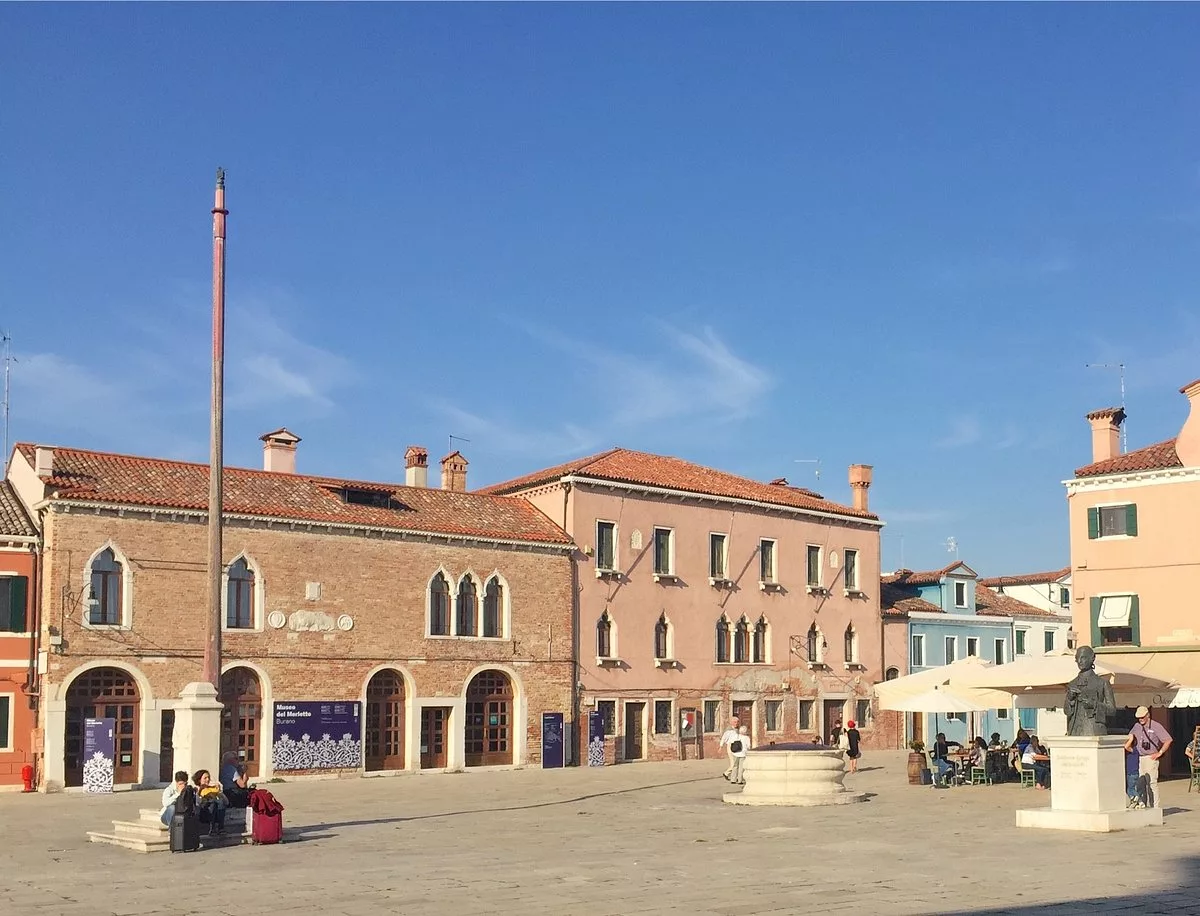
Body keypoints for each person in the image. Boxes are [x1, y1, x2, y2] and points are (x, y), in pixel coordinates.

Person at [1124, 706, 1172, 809]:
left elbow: (1168, 740)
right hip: (1139, 758)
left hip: (1151, 757)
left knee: (1151, 784)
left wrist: (1160, 752)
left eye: (1142, 717)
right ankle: (1143, 806)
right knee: (1140, 784)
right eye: (1139, 717)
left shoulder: (1155, 726)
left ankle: (1155, 808)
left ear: (1147, 715)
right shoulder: (1136, 726)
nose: (1140, 719)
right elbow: (1129, 737)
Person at [193, 769, 227, 835]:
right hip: (204, 813)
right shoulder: (197, 789)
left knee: (220, 802)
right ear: (199, 780)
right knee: (212, 803)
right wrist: (200, 792)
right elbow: (198, 803)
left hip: (217, 813)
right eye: (205, 778)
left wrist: (220, 792)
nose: (207, 779)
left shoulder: (213, 788)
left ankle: (221, 827)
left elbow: (226, 802)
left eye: (208, 777)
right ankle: (212, 828)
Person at [719, 716, 741, 782]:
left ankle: (735, 776)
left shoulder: (737, 729)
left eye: (737, 722)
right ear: (731, 722)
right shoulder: (728, 730)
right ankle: (726, 773)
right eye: (735, 722)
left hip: (737, 746)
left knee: (737, 762)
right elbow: (724, 738)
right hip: (731, 746)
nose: (736, 723)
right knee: (733, 763)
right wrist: (721, 747)